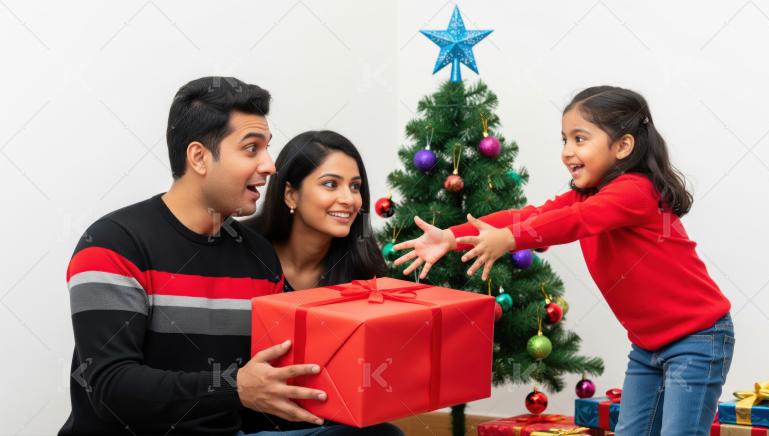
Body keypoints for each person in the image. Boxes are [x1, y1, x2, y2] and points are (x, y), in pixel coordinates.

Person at [393, 86, 734, 436]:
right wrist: (451, 236)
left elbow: (574, 222)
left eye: (580, 139)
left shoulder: (636, 192)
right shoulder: (585, 195)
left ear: (623, 146)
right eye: (564, 140)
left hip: (698, 339)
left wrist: (510, 240)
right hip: (648, 346)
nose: (567, 152)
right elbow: (529, 215)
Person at [60, 77, 328, 436]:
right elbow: (111, 388)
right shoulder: (112, 245)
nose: (270, 166)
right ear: (199, 157)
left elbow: (268, 381)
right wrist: (235, 387)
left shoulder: (259, 255)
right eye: (252, 149)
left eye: (267, 149)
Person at [243, 130, 403, 435]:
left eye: (355, 187)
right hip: (249, 422)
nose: (348, 199)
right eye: (331, 184)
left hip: (328, 423)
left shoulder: (363, 266)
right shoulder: (241, 252)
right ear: (291, 194)